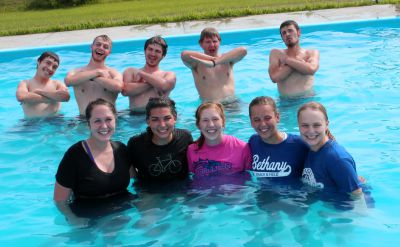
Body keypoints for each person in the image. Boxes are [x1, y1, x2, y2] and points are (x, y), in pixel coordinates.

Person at [54, 98, 132, 202]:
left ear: (115, 121)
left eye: (108, 119)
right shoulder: (74, 156)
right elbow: (60, 201)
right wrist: (76, 219)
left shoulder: (121, 150)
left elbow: (137, 179)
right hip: (89, 216)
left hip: (124, 212)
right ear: (88, 125)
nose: (104, 126)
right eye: (97, 121)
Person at [297, 101, 362, 196]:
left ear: (326, 125)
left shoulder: (337, 159)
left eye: (317, 125)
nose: (311, 131)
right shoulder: (307, 148)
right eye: (305, 125)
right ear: (298, 125)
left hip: (343, 208)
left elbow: (357, 196)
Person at [127, 97, 193, 181]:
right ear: (148, 121)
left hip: (182, 189)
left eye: (167, 118)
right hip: (149, 191)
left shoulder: (185, 137)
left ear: (175, 118)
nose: (162, 125)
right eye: (155, 119)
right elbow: (132, 176)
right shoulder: (136, 144)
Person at [248, 96, 308, 180]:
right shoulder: (253, 142)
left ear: (277, 117)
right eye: (257, 120)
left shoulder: (299, 144)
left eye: (267, 118)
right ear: (251, 122)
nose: (263, 124)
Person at [181, 27, 247, 103]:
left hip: (232, 103)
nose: (212, 45)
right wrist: (212, 59)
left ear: (219, 42)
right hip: (211, 106)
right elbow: (184, 55)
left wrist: (215, 62)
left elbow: (243, 50)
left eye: (215, 41)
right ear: (201, 44)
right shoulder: (196, 63)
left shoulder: (227, 59)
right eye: (208, 42)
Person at [187, 102, 251, 177]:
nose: (211, 124)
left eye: (215, 119)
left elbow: (250, 178)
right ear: (198, 125)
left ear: (223, 122)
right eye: (205, 120)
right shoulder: (192, 150)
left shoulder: (242, 148)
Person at [65, 35, 123, 116]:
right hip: (84, 121)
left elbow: (118, 87)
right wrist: (97, 72)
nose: (101, 48)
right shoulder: (76, 71)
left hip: (109, 120)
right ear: (91, 46)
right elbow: (68, 81)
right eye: (98, 44)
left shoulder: (113, 73)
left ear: (109, 52)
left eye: (105, 47)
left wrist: (94, 77)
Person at [122, 36, 176, 113]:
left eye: (157, 51)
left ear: (163, 56)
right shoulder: (131, 71)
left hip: (160, 117)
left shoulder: (169, 74)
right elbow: (125, 91)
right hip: (134, 116)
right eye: (150, 49)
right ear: (144, 51)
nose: (153, 54)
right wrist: (154, 83)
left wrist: (141, 74)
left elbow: (164, 86)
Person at [268, 20, 319, 98]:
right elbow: (274, 78)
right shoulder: (276, 53)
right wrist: (299, 63)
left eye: (290, 31)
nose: (287, 34)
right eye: (284, 33)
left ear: (299, 33)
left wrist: (287, 61)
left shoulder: (311, 52)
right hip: (285, 102)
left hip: (307, 99)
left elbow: (311, 69)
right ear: (282, 38)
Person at [16, 51, 70, 118]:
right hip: (31, 124)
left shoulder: (57, 83)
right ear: (39, 62)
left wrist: (40, 92)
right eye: (48, 63)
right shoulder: (26, 83)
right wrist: (54, 98)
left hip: (56, 121)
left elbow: (65, 97)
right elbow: (21, 97)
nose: (50, 68)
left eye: (54, 67)